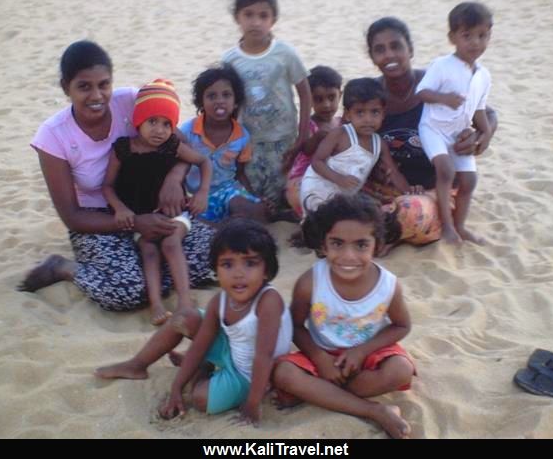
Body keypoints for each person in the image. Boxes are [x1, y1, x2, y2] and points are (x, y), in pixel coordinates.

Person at [19, 41, 215, 312]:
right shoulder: (53, 136)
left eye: (104, 84)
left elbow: (181, 147)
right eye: (84, 86)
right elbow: (72, 216)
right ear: (66, 88)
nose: (97, 95)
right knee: (127, 292)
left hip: (151, 205)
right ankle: (63, 268)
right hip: (99, 219)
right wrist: (135, 223)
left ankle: (148, 274)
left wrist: (173, 177)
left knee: (211, 256)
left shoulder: (132, 101)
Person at [96, 219, 293, 426]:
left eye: (250, 263)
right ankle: (137, 365)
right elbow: (200, 344)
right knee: (184, 317)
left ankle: (204, 368)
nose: (238, 273)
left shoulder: (268, 301)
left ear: (267, 271)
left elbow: (264, 357)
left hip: (250, 373)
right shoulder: (221, 300)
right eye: (227, 264)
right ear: (216, 270)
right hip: (232, 350)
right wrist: (176, 388)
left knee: (201, 400)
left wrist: (253, 404)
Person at [271, 194, 414, 439]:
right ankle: (374, 410)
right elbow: (294, 326)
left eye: (361, 245)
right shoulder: (310, 282)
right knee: (284, 373)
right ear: (323, 244)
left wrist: (362, 351)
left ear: (377, 245)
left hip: (369, 354)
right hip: (321, 355)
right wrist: (321, 359)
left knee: (401, 369)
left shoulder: (388, 285)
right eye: (337, 243)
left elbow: (401, 326)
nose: (348, 256)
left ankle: (323, 394)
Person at [362, 17, 499, 246]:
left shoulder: (437, 83)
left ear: (410, 50)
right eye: (380, 50)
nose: (389, 55)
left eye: (396, 46)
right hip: (385, 187)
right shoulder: (371, 93)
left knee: (410, 212)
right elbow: (346, 125)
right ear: (373, 57)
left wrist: (481, 136)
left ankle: (406, 223)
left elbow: (487, 113)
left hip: (436, 190)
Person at [101, 79, 212, 325]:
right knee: (149, 251)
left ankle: (184, 302)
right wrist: (120, 208)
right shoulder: (123, 150)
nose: (159, 130)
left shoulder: (172, 146)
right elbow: (107, 186)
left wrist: (202, 192)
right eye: (152, 122)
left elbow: (203, 162)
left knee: (172, 243)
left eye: (166, 124)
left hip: (175, 212)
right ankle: (157, 305)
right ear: (139, 121)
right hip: (141, 216)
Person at [221, 0, 312, 216]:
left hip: (285, 137)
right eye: (248, 15)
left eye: (263, 15)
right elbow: (227, 101)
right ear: (237, 18)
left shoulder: (284, 53)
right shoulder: (231, 59)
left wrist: (302, 134)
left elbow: (304, 91)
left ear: (273, 20)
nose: (255, 22)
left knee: (286, 189)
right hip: (250, 140)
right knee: (256, 191)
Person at [416, 2, 493, 245]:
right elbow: (422, 92)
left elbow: (478, 109)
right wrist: (444, 99)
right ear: (453, 38)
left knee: (469, 180)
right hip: (434, 129)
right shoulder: (442, 65)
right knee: (446, 171)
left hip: (458, 134)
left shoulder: (483, 75)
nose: (475, 43)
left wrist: (487, 132)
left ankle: (460, 226)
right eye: (467, 36)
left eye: (482, 36)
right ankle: (447, 227)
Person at [299, 78, 411, 214]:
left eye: (375, 112)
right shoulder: (340, 134)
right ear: (347, 114)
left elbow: (394, 173)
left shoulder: (379, 144)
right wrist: (338, 178)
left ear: (383, 113)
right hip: (317, 189)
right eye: (360, 112)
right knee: (322, 221)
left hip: (344, 197)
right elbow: (317, 162)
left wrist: (409, 193)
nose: (368, 119)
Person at [178, 64, 270, 224]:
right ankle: (222, 227)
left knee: (256, 209)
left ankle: (231, 224)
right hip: (196, 195)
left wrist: (253, 197)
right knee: (190, 218)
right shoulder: (187, 132)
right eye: (212, 96)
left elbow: (239, 174)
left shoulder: (242, 136)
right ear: (201, 102)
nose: (219, 101)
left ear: (235, 102)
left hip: (227, 191)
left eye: (226, 95)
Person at [284, 65, 343, 218]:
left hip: (330, 175)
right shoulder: (310, 125)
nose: (326, 105)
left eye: (331, 97)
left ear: (340, 96)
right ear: (309, 99)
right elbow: (307, 149)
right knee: (302, 197)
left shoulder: (341, 123)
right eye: (318, 99)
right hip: (304, 176)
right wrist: (318, 137)